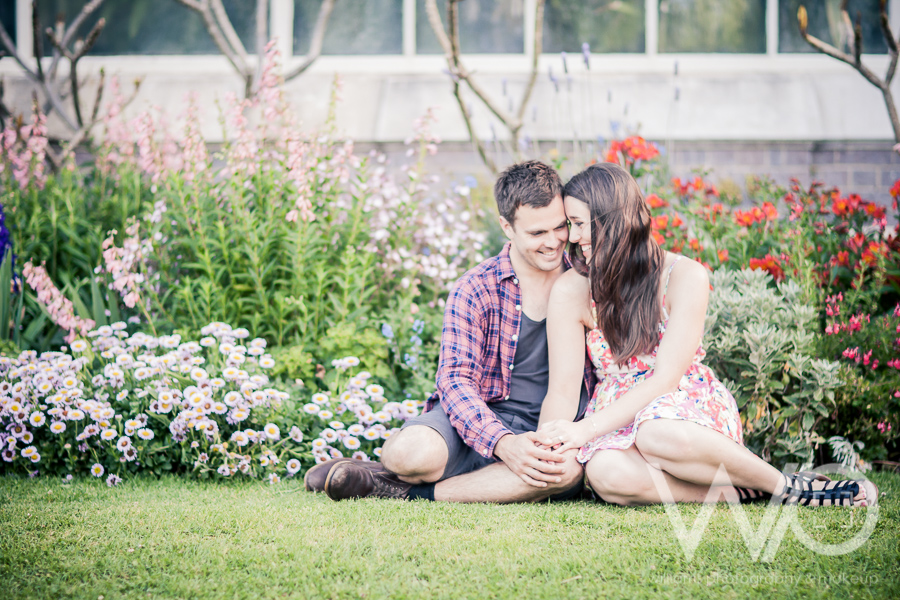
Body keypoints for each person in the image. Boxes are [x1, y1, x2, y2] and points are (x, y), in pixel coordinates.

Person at [536, 162, 877, 507]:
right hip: (614, 413)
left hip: (683, 406)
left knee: (656, 431)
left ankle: (791, 488)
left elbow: (665, 380)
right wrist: (545, 449)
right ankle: (751, 492)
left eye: (580, 224)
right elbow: (562, 391)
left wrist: (585, 430)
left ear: (614, 220)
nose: (573, 238)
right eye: (571, 225)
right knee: (605, 472)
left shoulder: (684, 276)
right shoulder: (572, 290)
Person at [307, 160, 594, 502]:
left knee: (566, 472)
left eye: (559, 227)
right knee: (409, 454)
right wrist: (503, 443)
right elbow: (455, 382)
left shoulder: (586, 280)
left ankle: (398, 490)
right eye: (537, 233)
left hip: (550, 426)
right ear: (507, 227)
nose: (554, 242)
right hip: (481, 416)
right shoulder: (475, 288)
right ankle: (400, 470)